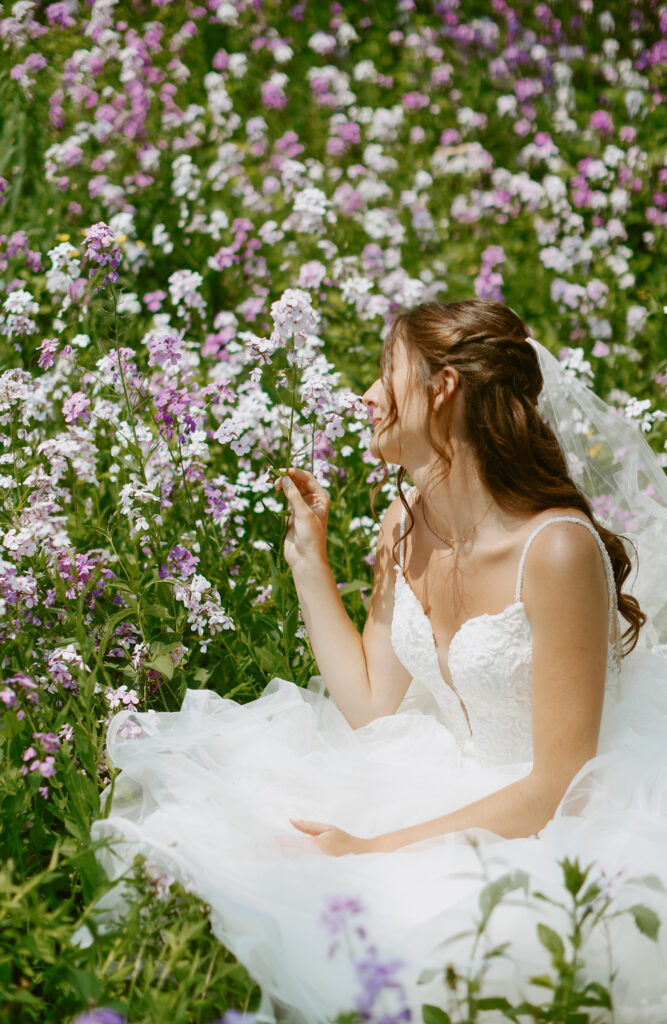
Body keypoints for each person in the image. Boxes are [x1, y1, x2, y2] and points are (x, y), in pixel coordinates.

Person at [92, 300, 667, 1023]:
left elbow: (558, 783)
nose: (364, 395)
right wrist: (309, 562)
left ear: (443, 389)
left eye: (384, 371)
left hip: (556, 816)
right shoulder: (406, 523)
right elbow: (368, 705)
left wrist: (372, 848)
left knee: (414, 936)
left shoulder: (554, 550)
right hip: (436, 775)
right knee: (229, 846)